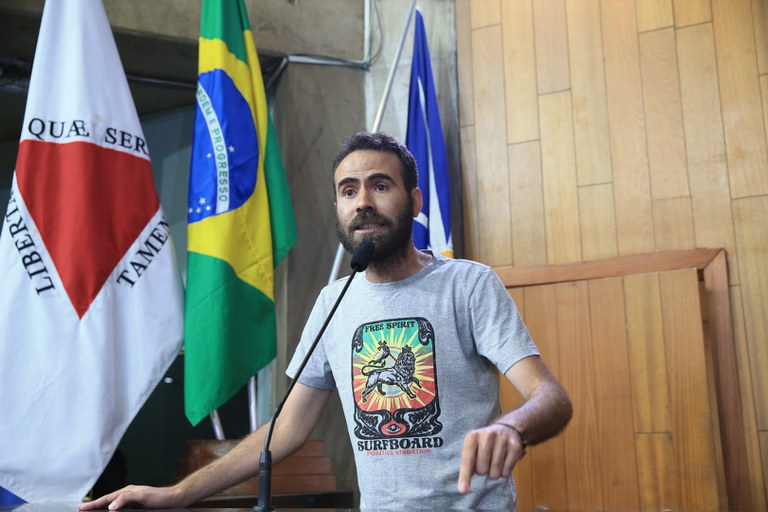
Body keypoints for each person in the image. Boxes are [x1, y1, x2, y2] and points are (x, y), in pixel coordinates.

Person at [80, 132, 572, 511]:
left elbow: (550, 398)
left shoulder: (468, 285)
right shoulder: (333, 302)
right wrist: (176, 495)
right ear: (338, 207)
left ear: (415, 201)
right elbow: (283, 432)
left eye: (381, 185)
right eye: (348, 190)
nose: (363, 202)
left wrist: (511, 428)